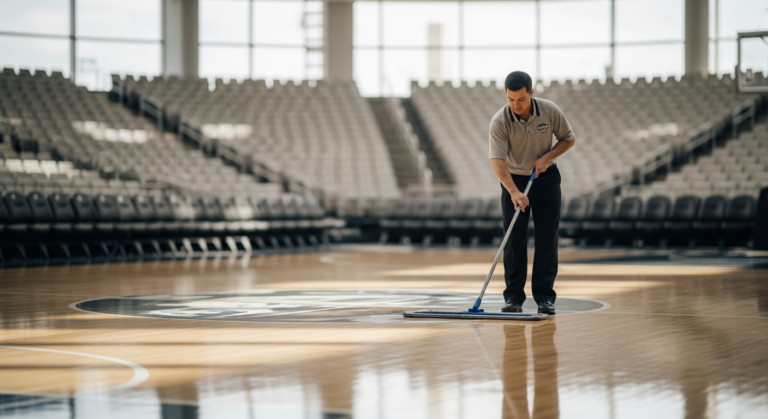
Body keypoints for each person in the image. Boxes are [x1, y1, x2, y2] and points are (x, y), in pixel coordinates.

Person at [488, 71, 576, 315]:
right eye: (510, 99)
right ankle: (513, 298)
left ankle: (545, 297)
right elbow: (498, 162)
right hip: (513, 180)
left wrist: (547, 158)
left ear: (531, 93)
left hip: (545, 178)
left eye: (521, 99)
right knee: (514, 240)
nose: (516, 105)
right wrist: (514, 192)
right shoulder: (500, 121)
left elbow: (568, 139)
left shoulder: (549, 110)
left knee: (547, 238)